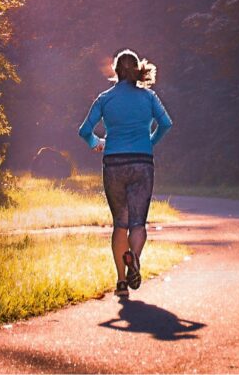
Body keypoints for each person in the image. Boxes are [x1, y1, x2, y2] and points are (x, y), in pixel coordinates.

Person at [78, 49, 173, 298]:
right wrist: (150, 141)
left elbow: (84, 130)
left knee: (120, 224)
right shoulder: (149, 97)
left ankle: (121, 283)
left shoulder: (104, 99)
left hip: (114, 163)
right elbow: (166, 123)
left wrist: (96, 142)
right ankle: (135, 259)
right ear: (137, 70)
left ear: (115, 70)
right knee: (138, 223)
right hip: (142, 162)